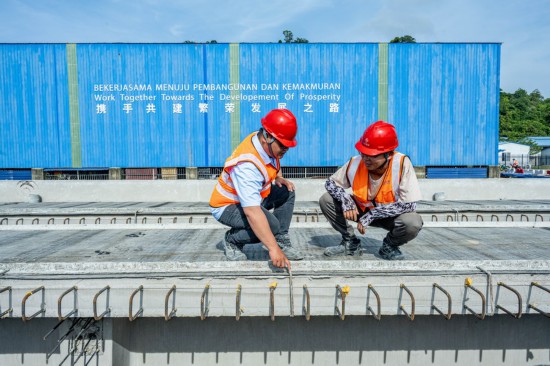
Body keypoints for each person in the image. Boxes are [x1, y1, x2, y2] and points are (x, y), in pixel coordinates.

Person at [209, 109, 304, 268]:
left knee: (287, 193)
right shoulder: (247, 166)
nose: (285, 150)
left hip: (254, 196)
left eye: (288, 146)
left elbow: (273, 161)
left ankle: (281, 239)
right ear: (267, 137)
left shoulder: (263, 141)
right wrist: (272, 249)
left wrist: (278, 177)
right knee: (271, 226)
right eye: (282, 145)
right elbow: (252, 212)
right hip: (227, 205)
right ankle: (232, 240)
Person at [319, 121, 423, 260]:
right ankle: (350, 242)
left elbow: (409, 205)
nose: (366, 158)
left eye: (373, 155)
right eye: (363, 153)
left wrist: (373, 214)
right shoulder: (356, 162)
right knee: (326, 200)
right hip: (360, 211)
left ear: (389, 155)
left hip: (390, 216)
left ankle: (389, 246)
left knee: (412, 222)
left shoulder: (402, 164)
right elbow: (331, 183)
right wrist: (346, 200)